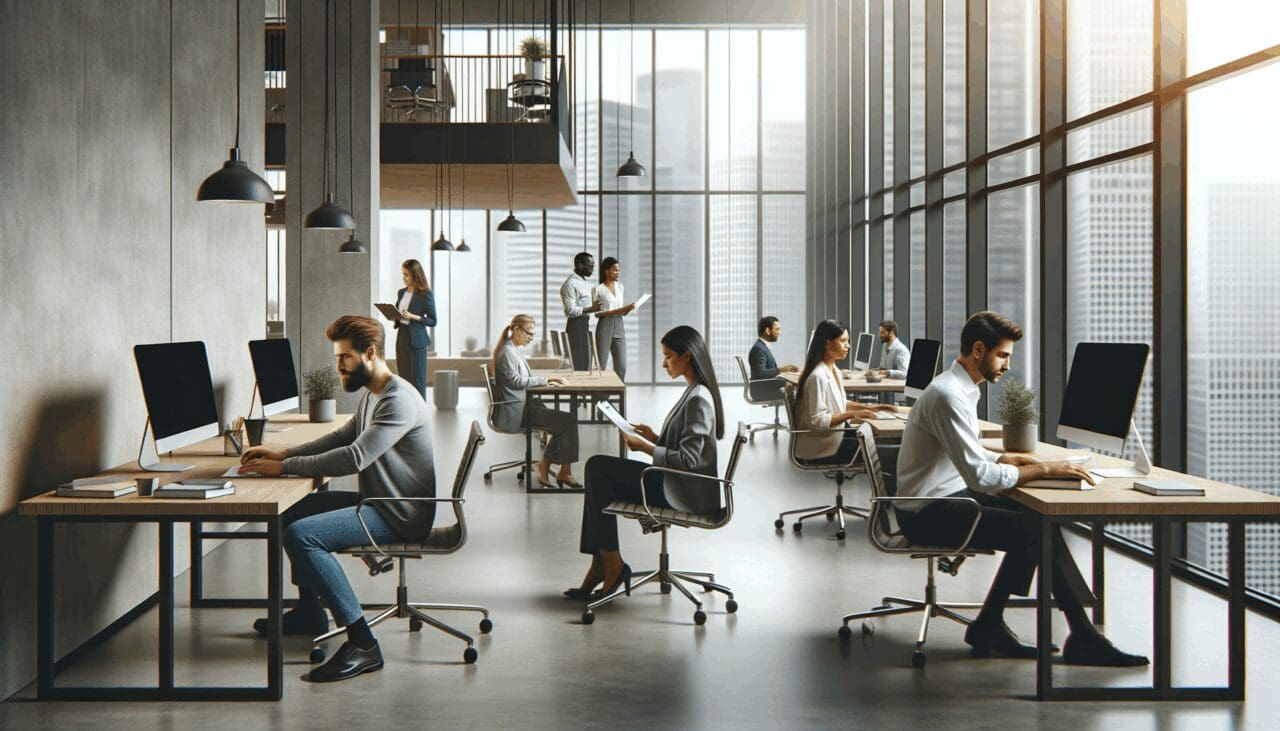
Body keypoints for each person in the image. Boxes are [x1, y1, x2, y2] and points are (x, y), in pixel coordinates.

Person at [895, 310, 1148, 666]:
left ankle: (998, 624)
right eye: (1003, 355)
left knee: (1036, 516)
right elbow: (978, 477)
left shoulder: (959, 389)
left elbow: (971, 454)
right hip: (924, 512)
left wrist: (1015, 461)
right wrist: (1045, 468)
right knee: (1033, 528)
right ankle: (1075, 634)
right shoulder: (948, 396)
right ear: (979, 350)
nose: (1007, 365)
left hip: (943, 494)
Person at [239, 315, 436, 682]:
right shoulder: (374, 395)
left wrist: (285, 469)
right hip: (379, 502)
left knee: (303, 535)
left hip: (398, 513)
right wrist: (284, 454)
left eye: (344, 357)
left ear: (370, 353)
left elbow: (354, 457)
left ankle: (363, 643)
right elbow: (344, 436)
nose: (338, 366)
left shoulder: (398, 401)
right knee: (291, 510)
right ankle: (310, 610)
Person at [566, 326, 721, 600]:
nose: (663, 364)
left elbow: (688, 461)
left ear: (687, 356)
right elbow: (686, 449)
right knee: (597, 471)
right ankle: (604, 562)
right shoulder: (694, 391)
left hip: (685, 493)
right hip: (679, 483)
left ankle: (608, 563)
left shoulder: (699, 399)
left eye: (668, 356)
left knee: (598, 469)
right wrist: (656, 438)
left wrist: (646, 447)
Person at [492, 314, 582, 488]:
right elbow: (516, 381)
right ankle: (561, 470)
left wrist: (548, 380)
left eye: (533, 335)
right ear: (517, 329)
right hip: (517, 410)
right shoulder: (507, 352)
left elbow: (521, 380)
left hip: (523, 403)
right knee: (567, 420)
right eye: (529, 333)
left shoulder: (512, 349)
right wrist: (546, 379)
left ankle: (549, 466)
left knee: (561, 422)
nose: (531, 338)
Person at [794, 319, 899, 463]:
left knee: (890, 447)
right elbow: (818, 422)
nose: (848, 346)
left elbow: (838, 403)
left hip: (838, 437)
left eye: (848, 341)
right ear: (827, 343)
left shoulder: (834, 370)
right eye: (843, 341)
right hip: (825, 447)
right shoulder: (818, 377)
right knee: (895, 454)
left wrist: (870, 407)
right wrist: (853, 414)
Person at [392, 259, 437, 398]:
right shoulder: (401, 292)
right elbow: (398, 312)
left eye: (406, 275)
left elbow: (432, 320)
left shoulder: (425, 294)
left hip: (417, 341)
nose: (403, 278)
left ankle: (421, 415)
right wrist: (395, 317)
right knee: (404, 380)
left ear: (415, 275)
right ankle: (407, 411)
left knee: (417, 380)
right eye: (403, 274)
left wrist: (413, 316)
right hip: (402, 337)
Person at [592, 256, 635, 380]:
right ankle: (598, 398)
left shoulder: (620, 287)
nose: (618, 273)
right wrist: (622, 309)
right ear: (606, 271)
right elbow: (598, 313)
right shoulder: (597, 290)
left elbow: (621, 312)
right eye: (615, 270)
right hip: (605, 325)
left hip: (619, 325)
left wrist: (627, 309)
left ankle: (616, 397)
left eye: (619, 270)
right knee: (601, 365)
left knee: (621, 365)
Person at [560, 252, 602, 370]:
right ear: (579, 266)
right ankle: (579, 388)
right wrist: (591, 308)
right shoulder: (570, 284)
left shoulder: (585, 283)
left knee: (586, 363)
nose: (592, 269)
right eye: (590, 266)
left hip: (584, 325)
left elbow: (588, 305)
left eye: (593, 265)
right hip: (575, 326)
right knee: (580, 364)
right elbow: (569, 310)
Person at [747, 315, 799, 401]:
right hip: (761, 391)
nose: (780, 333)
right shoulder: (759, 349)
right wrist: (781, 370)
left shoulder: (762, 347)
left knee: (792, 384)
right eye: (777, 329)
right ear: (768, 331)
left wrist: (785, 372)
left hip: (764, 387)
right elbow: (761, 374)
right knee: (793, 387)